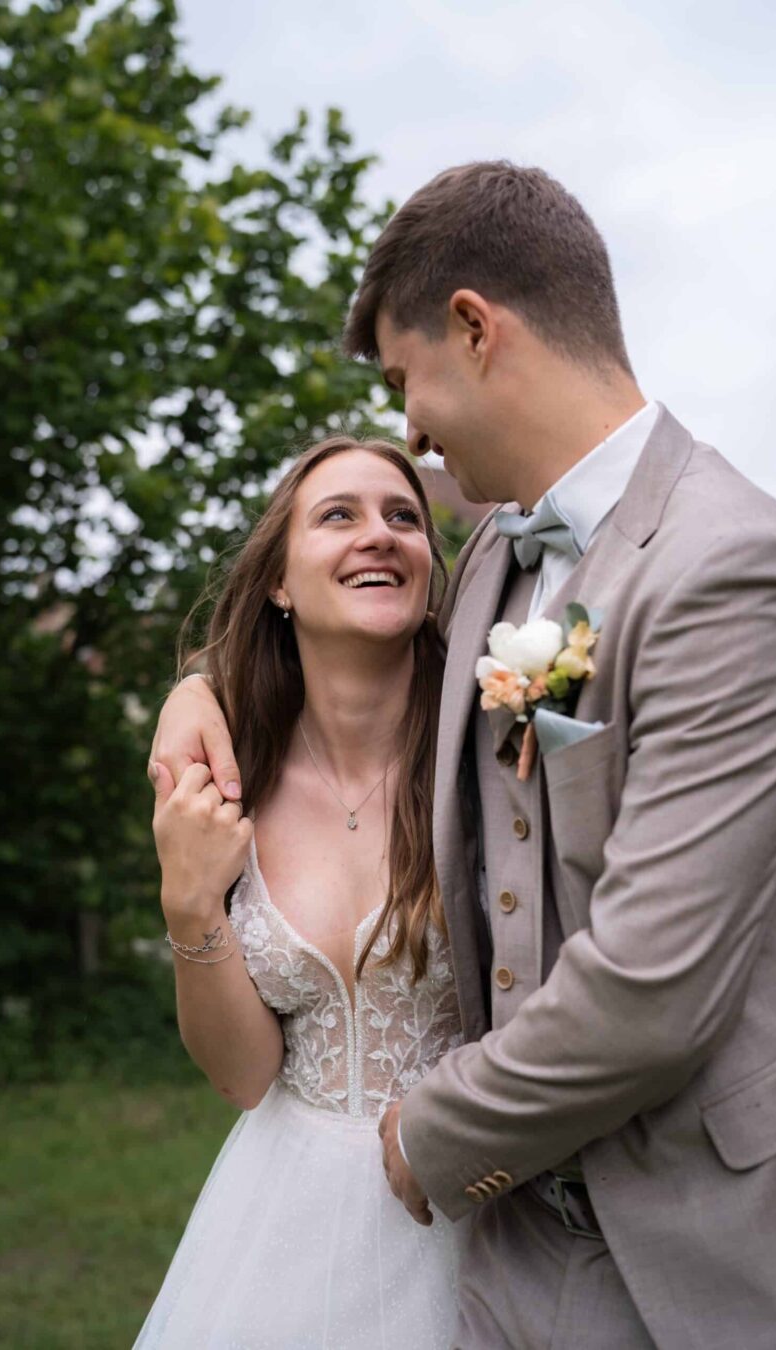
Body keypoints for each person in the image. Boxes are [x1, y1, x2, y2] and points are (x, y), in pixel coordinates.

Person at [152, 163, 776, 1349]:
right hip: (521, 1252)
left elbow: (653, 981)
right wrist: (192, 694)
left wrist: (435, 1137)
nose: (411, 428)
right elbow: (353, 670)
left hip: (714, 1235)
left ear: (475, 329)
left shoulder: (735, 563)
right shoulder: (493, 563)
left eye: (405, 379)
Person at [134, 437, 467, 1348]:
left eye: (404, 517)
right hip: (278, 1221)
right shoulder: (230, 779)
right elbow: (244, 1077)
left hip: (477, 1201)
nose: (380, 535)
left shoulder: (488, 756)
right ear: (279, 582)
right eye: (339, 516)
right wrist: (190, 907)